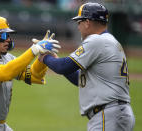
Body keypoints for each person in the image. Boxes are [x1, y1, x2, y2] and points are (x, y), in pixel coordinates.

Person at [39, 2, 135, 131]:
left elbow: (63, 67)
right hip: (114, 113)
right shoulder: (110, 41)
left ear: (87, 22)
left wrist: (45, 57)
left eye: (79, 22)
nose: (78, 27)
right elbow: (80, 79)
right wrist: (54, 59)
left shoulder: (97, 40)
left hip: (109, 114)